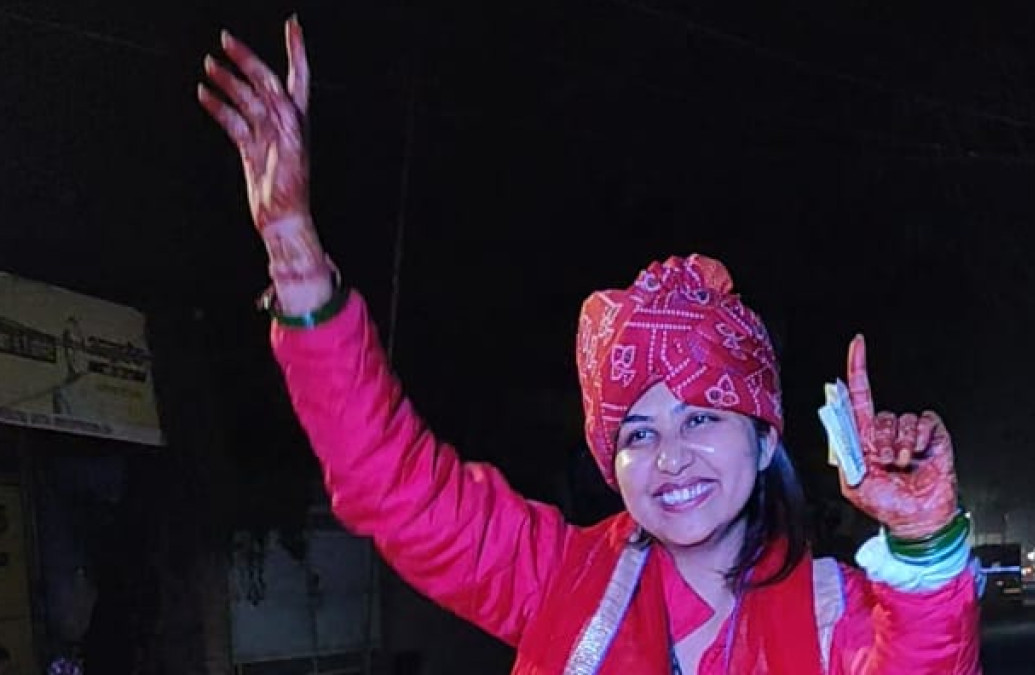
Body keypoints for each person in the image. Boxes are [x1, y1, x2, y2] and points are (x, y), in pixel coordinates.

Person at [197, 16, 981, 674]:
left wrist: (923, 541)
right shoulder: (560, 582)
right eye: (637, 433)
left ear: (765, 434)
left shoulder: (839, 616)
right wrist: (292, 248)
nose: (670, 456)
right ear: (610, 463)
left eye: (701, 416)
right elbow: (388, 481)